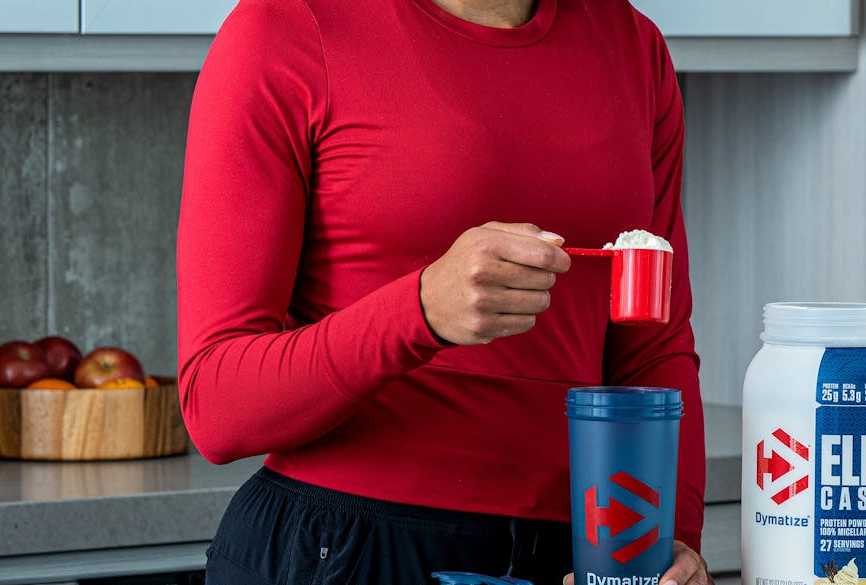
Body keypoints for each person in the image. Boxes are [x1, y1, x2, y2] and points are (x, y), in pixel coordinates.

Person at [175, 0, 708, 583]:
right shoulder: (286, 28)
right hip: (347, 548)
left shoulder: (632, 45)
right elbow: (216, 406)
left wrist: (672, 541)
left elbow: (653, 348)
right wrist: (420, 310)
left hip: (583, 551)